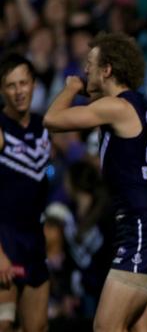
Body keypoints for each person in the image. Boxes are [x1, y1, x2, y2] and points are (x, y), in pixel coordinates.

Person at [43, 32, 147, 332]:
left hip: (139, 230)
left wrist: (71, 87)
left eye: (90, 64)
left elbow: (52, 119)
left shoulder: (116, 108)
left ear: (107, 70)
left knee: (106, 326)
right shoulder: (141, 105)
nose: (84, 71)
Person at [0, 54, 51, 332]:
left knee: (37, 326)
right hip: (4, 240)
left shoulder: (45, 126)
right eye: (11, 85)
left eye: (24, 83)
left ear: (33, 85)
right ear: (1, 90)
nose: (19, 91)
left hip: (34, 241)